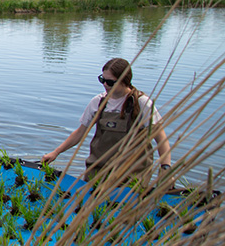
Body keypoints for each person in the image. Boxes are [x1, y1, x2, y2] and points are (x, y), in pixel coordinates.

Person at [42, 57, 172, 184]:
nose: (105, 84)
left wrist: (165, 168)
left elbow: (161, 139)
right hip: (99, 170)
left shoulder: (142, 103)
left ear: (124, 80)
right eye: (102, 80)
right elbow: (79, 133)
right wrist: (56, 152)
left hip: (132, 174)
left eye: (110, 82)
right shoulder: (98, 102)